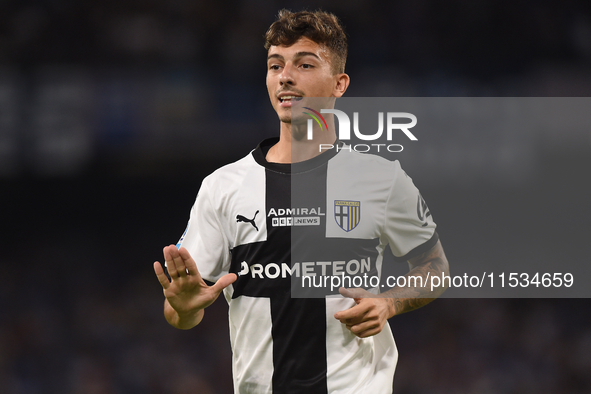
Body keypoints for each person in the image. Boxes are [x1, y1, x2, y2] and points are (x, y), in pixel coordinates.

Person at [153, 9, 450, 394]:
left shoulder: (382, 178)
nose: (285, 76)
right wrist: (185, 305)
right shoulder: (223, 187)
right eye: (275, 65)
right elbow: (181, 314)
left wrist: (389, 303)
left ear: (339, 83)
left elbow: (435, 266)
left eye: (304, 64)